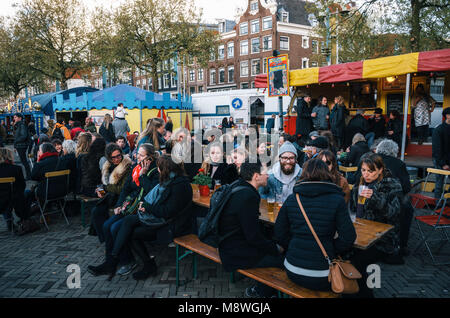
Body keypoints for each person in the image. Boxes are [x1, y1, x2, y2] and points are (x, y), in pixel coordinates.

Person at [274, 159, 356, 292]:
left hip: (292, 268)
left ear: (304, 174)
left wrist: (295, 244)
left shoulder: (293, 199)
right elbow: (349, 237)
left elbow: (279, 233)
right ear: (327, 174)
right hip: (324, 274)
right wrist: (331, 248)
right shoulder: (337, 200)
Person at [87, 143, 160, 277]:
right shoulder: (135, 167)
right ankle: (109, 261)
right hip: (130, 206)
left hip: (143, 210)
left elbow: (151, 191)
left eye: (141, 155)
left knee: (115, 227)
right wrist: (119, 204)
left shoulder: (155, 171)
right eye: (137, 153)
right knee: (106, 225)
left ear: (149, 158)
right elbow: (126, 188)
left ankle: (127, 261)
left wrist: (143, 175)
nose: (137, 157)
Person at [218, 161, 285, 298]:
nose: (268, 176)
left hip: (228, 245)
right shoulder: (248, 196)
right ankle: (263, 293)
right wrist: (275, 248)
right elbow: (253, 237)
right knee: (281, 260)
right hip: (234, 253)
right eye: (266, 173)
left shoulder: (238, 186)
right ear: (256, 176)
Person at [349, 153, 404, 297]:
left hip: (383, 238)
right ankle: (354, 290)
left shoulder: (392, 184)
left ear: (380, 170)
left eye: (370, 171)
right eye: (363, 170)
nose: (366, 174)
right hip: (362, 233)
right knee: (347, 255)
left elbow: (393, 213)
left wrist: (374, 197)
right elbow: (355, 209)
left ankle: (368, 293)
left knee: (362, 261)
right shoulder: (361, 182)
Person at [375, 139, 414, 255]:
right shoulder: (399, 164)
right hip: (392, 202)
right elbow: (406, 187)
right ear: (394, 151)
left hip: (370, 198)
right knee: (407, 209)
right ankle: (402, 245)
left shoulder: (370, 159)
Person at [90, 143, 132, 243]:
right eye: (113, 157)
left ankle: (108, 238)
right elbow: (105, 184)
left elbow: (122, 189)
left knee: (99, 211)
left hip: (121, 198)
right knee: (96, 211)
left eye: (118, 156)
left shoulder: (127, 166)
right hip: (110, 196)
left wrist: (106, 188)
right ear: (109, 158)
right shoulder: (107, 167)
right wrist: (101, 190)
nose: (117, 159)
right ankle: (105, 239)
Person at [27, 142, 71, 212]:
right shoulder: (62, 160)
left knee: (28, 192)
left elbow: (33, 177)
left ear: (44, 151)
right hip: (63, 191)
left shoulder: (40, 164)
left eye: (39, 150)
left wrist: (38, 161)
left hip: (46, 193)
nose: (38, 152)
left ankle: (32, 211)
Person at [0, 147, 28, 231]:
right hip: (14, 200)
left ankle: (9, 220)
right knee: (26, 193)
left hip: (2, 201)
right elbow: (22, 185)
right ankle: (24, 218)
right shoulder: (16, 168)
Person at [431, 107, 450, 201]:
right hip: (440, 161)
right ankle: (437, 205)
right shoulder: (438, 130)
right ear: (447, 116)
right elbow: (436, 149)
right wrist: (443, 164)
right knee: (439, 183)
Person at [12, 113, 31, 180]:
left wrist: (16, 142)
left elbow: (23, 136)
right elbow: (16, 136)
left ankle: (29, 176)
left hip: (22, 145)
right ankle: (28, 175)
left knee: (24, 161)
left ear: (20, 118)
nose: (14, 119)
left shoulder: (22, 125)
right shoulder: (18, 125)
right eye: (14, 117)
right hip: (19, 145)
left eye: (15, 117)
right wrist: (15, 146)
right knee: (23, 161)